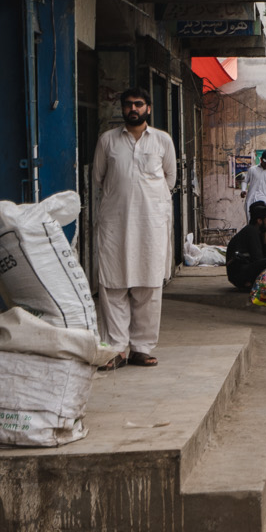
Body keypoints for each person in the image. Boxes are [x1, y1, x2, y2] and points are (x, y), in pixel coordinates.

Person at [90, 85, 177, 369]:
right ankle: (116, 349)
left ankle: (141, 347)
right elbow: (100, 178)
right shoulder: (108, 141)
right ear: (122, 109)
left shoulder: (162, 141)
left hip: (151, 224)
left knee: (148, 287)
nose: (133, 109)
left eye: (139, 104)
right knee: (113, 285)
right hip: (116, 224)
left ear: (148, 108)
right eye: (128, 104)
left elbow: (170, 179)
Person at [225, 202, 266, 291]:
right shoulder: (251, 232)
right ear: (259, 221)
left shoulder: (257, 231)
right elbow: (259, 260)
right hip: (239, 274)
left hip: (243, 271)